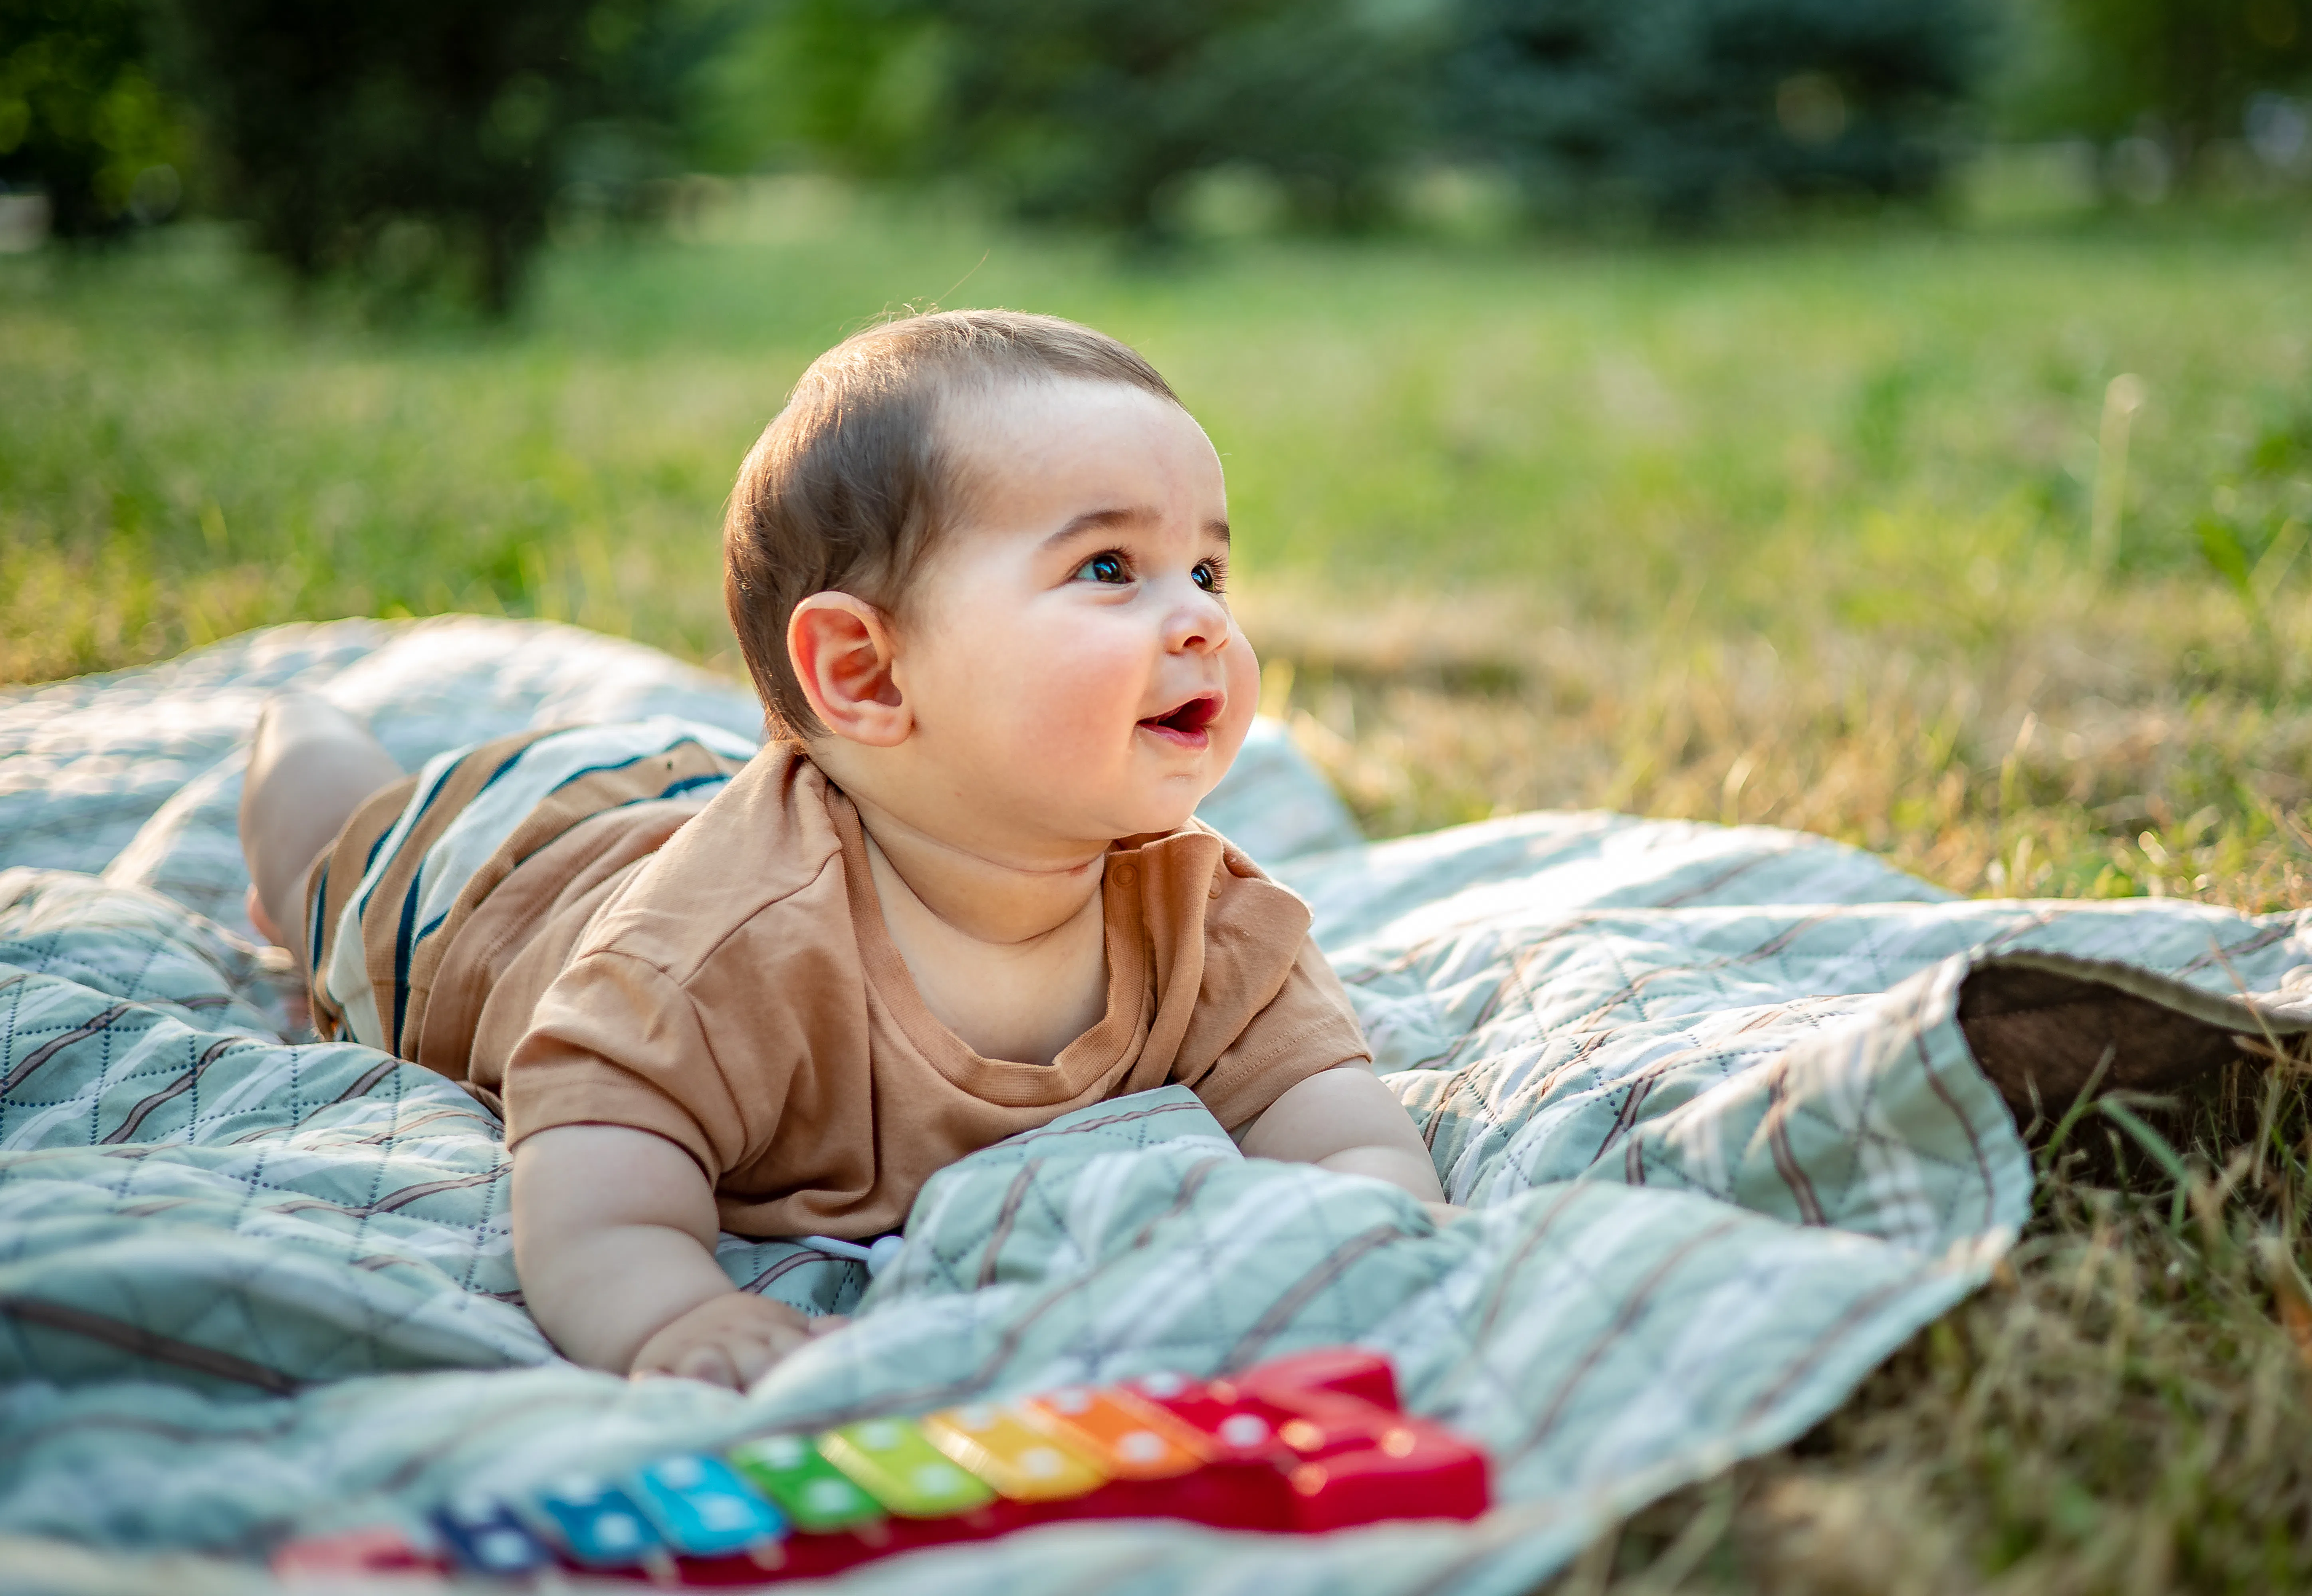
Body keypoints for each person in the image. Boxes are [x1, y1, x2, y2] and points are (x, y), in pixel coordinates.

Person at [236, 309, 1445, 1394]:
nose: (1202, 621)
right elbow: (594, 1160)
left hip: (722, 793)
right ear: (865, 673)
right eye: (1109, 569)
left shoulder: (1206, 921)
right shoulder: (721, 953)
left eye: (1208, 570)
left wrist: (1357, 1251)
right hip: (491, 874)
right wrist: (674, 1316)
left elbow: (1342, 1133)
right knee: (325, 859)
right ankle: (297, 724)